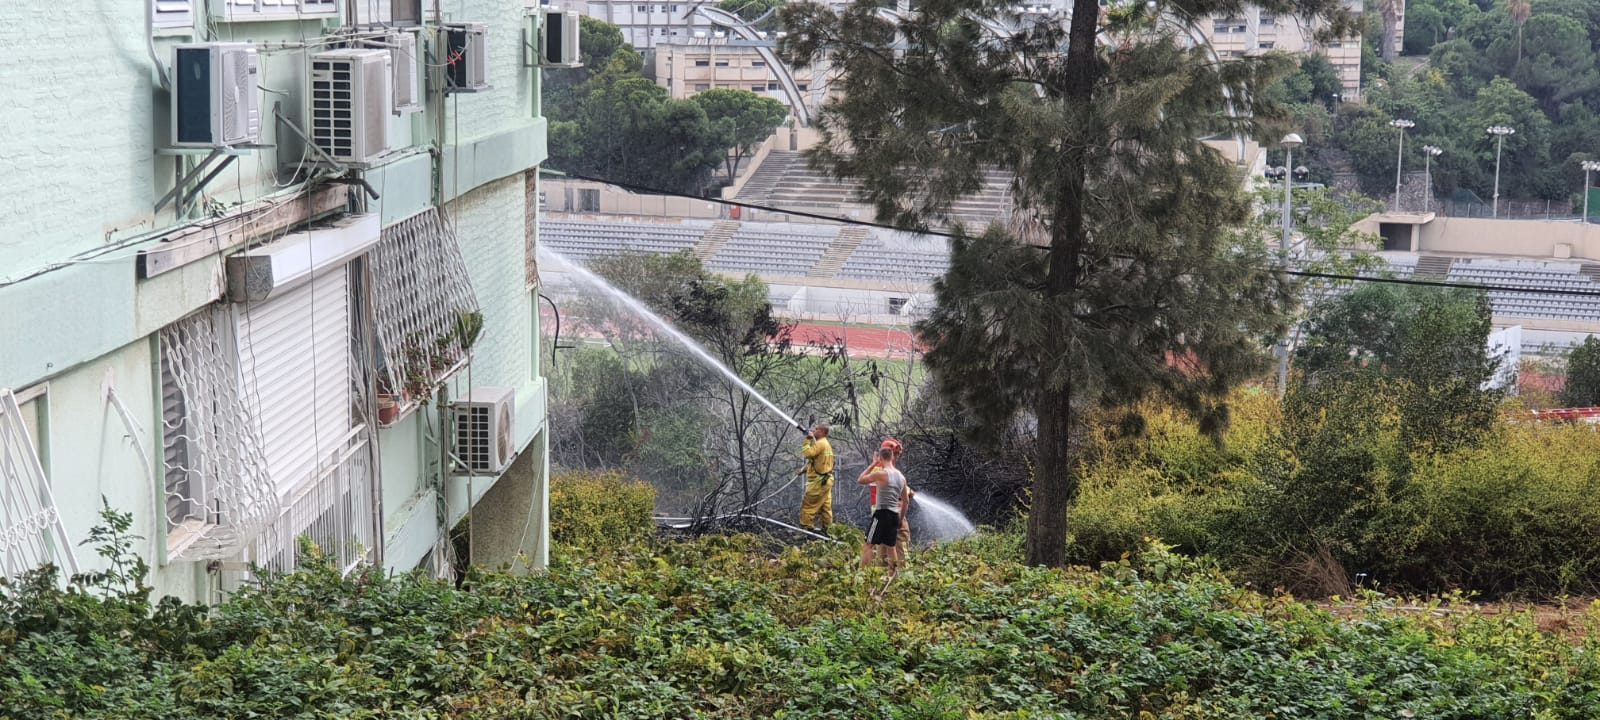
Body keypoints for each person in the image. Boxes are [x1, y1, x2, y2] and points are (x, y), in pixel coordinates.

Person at [857, 446, 906, 574]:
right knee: (891, 547)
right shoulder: (901, 477)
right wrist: (900, 519)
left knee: (868, 544)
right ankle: (893, 576)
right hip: (895, 514)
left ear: (881, 458)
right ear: (892, 457)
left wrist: (873, 464)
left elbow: (861, 479)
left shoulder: (881, 474)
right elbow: (906, 501)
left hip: (881, 514)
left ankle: (862, 575)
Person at [798, 423, 835, 532]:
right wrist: (804, 471)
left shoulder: (820, 444)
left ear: (823, 432)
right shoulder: (826, 444)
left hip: (818, 483)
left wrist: (807, 440)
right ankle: (828, 532)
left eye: (817, 429)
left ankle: (807, 531)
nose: (814, 430)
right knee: (825, 508)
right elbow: (819, 463)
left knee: (808, 507)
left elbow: (807, 454)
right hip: (826, 481)